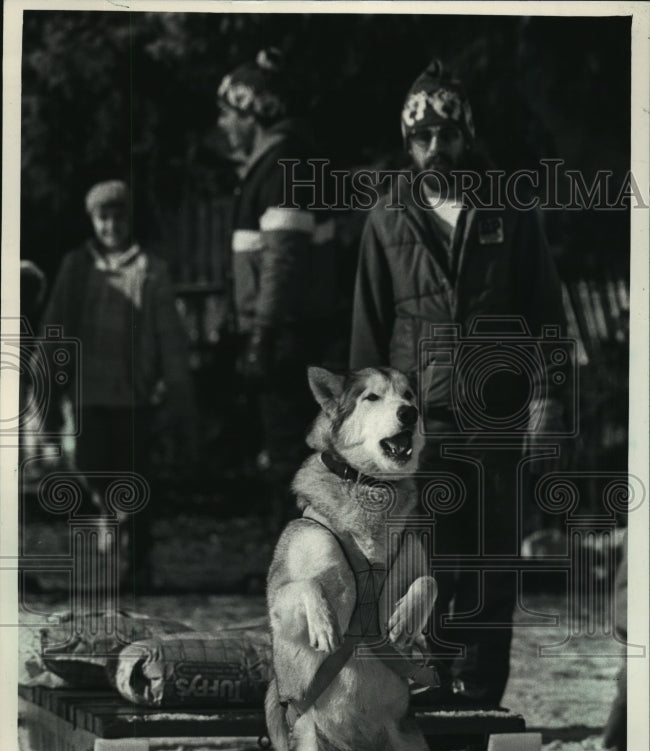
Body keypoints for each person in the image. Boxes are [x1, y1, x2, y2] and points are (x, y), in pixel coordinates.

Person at [350, 59, 568, 707]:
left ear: (466, 135)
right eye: (422, 137)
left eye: (446, 133)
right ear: (408, 142)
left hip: (496, 422)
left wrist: (549, 396)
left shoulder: (510, 212)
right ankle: (429, 704)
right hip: (416, 432)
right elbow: (368, 331)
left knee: (492, 571)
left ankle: (479, 704)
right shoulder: (387, 219)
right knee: (421, 573)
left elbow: (547, 314)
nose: (435, 148)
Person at [39, 180, 197, 592]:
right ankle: (110, 513)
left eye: (118, 217)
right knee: (90, 462)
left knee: (135, 475)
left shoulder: (149, 270)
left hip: (133, 392)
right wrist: (47, 391)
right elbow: (55, 327)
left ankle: (138, 563)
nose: (111, 226)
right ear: (92, 221)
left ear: (129, 219)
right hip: (88, 390)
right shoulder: (77, 267)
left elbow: (170, 338)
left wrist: (178, 391)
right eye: (102, 218)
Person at [217, 47, 342, 529]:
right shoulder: (280, 163)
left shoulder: (281, 166)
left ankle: (296, 565)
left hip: (288, 338)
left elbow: (283, 261)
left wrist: (262, 335)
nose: (224, 125)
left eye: (229, 113)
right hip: (293, 334)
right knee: (289, 452)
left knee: (290, 452)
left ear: (254, 114)